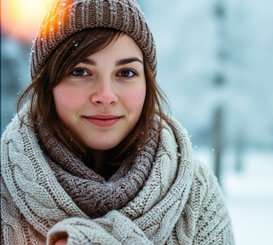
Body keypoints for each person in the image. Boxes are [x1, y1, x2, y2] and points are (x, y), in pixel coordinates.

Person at [0, 0, 235, 244]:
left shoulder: (196, 193)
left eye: (125, 73)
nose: (105, 96)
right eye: (80, 71)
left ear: (147, 84)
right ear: (48, 84)